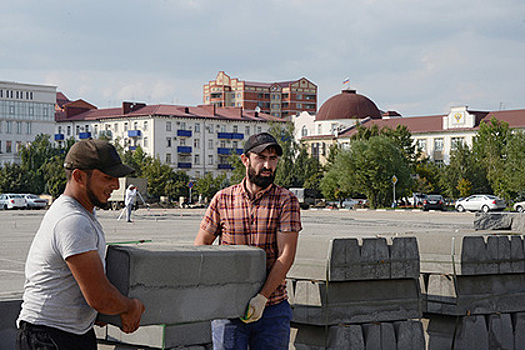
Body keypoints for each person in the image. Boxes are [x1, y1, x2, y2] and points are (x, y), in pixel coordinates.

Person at [16, 139, 145, 350]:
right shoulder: (72, 220)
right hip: (48, 337)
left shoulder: (83, 213)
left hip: (70, 333)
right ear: (79, 176)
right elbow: (99, 296)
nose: (115, 185)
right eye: (107, 178)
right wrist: (131, 307)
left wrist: (98, 313)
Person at [194, 132, 302, 349]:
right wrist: (215, 290)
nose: (268, 165)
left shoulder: (286, 201)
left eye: (273, 159)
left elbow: (286, 255)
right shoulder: (222, 199)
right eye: (261, 158)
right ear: (245, 160)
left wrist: (262, 298)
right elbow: (200, 249)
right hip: (228, 309)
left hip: (272, 308)